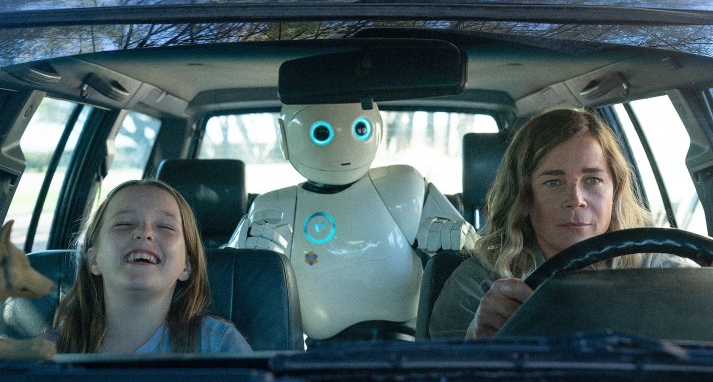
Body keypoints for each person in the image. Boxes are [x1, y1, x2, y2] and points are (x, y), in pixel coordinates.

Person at [429, 108, 713, 340]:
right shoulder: (477, 286)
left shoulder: (659, 273)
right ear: (525, 196)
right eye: (553, 182)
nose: (576, 199)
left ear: (615, 190)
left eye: (593, 180)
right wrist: (478, 344)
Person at [228, 102, 477, 344]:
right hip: (322, 348)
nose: (343, 144)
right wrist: (248, 252)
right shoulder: (275, 206)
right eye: (322, 133)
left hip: (402, 340)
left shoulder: (403, 187)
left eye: (360, 129)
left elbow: (475, 251)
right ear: (285, 136)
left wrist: (455, 236)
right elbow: (224, 276)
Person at [47, 179, 253, 354]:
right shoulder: (48, 352)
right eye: (124, 224)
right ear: (93, 260)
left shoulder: (219, 345)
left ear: (186, 266)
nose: (144, 233)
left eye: (165, 226)